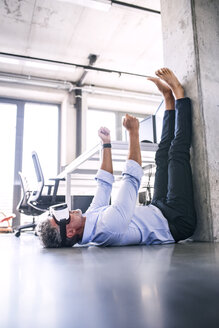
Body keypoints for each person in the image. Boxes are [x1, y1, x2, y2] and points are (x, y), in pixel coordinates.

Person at [37, 68, 197, 248]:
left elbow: (104, 185)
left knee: (161, 155)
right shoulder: (108, 228)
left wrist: (106, 144)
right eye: (62, 216)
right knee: (176, 154)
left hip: (158, 209)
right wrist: (133, 133)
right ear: (70, 232)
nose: (69, 210)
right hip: (176, 221)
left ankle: (168, 99)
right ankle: (179, 94)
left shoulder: (89, 219)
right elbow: (132, 179)